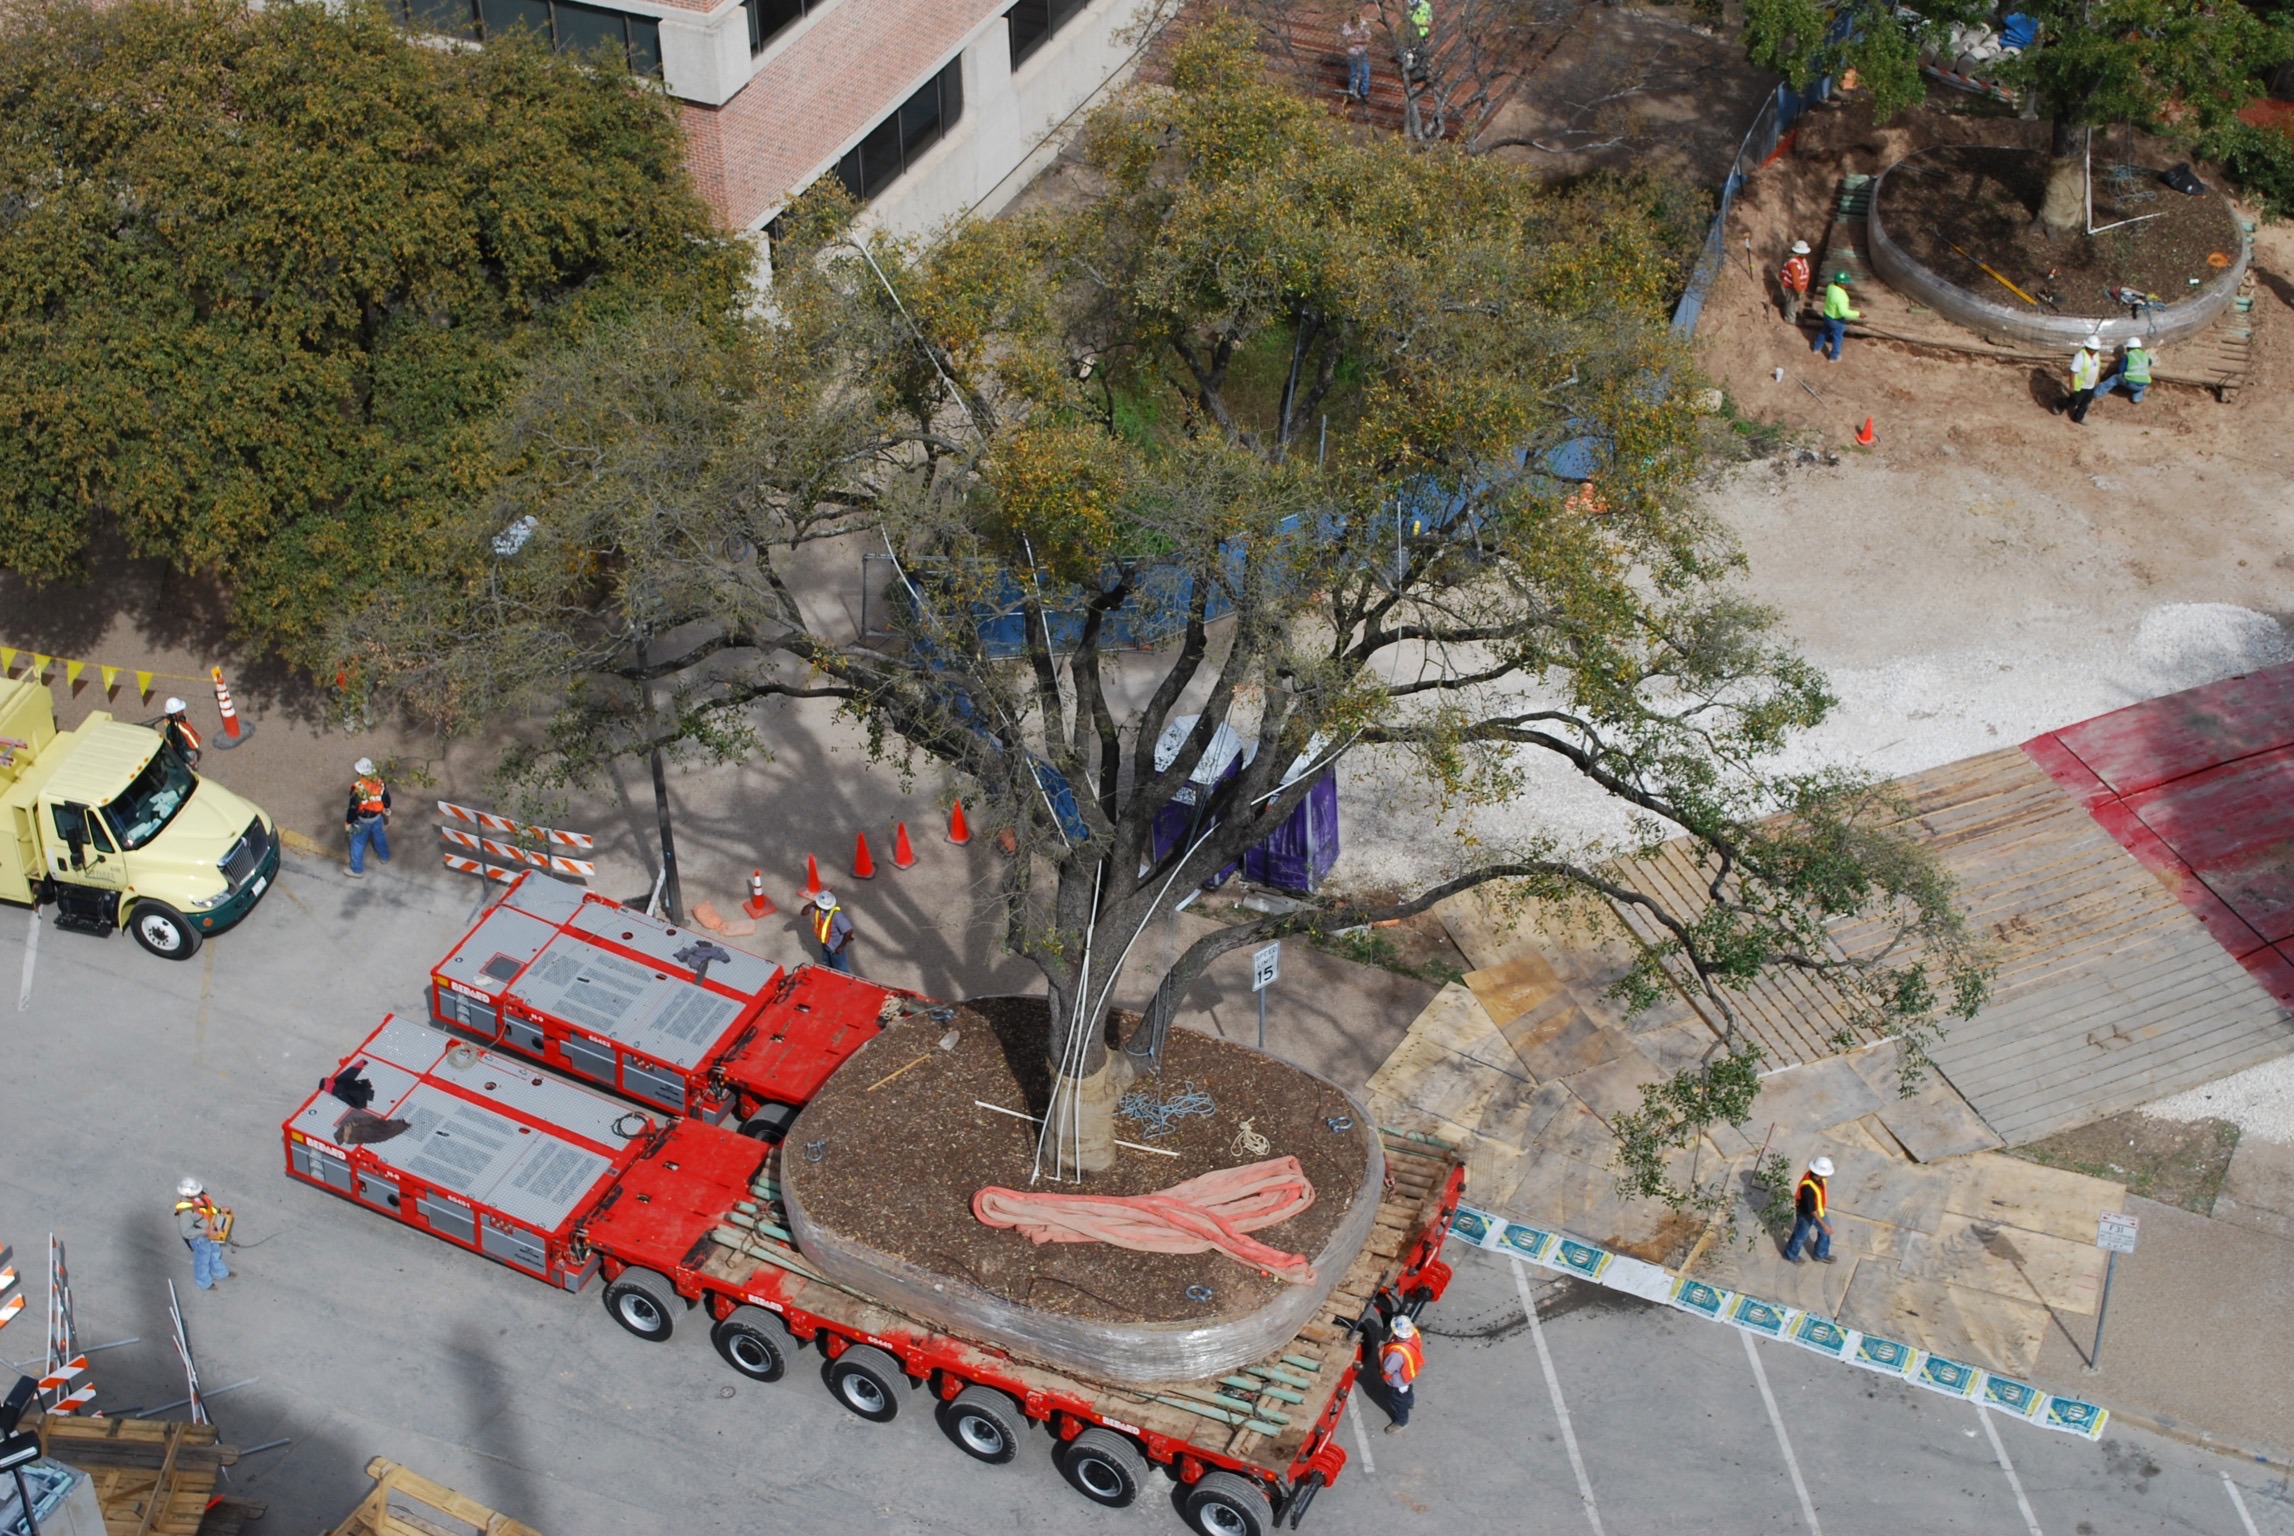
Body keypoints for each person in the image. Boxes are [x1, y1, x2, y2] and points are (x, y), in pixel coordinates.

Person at [174, 1178, 232, 1289]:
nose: (199, 1193)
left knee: (215, 1253)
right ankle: (204, 1283)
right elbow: (186, 1232)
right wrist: (205, 1231)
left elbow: (210, 1207)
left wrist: (220, 1210)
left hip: (211, 1230)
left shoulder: (202, 1196)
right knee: (202, 1261)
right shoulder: (185, 1211)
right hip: (200, 1238)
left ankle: (220, 1273)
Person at [344, 757, 391, 878]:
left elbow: (353, 808)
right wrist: (386, 808)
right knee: (379, 836)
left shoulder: (358, 787)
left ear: (360, 773)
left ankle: (356, 870)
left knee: (357, 843)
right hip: (377, 817)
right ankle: (384, 857)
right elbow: (386, 798)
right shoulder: (380, 782)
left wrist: (348, 822)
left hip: (362, 820)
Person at [1784, 1155, 1836, 1264]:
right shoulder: (1808, 1188)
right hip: (1806, 1214)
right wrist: (1824, 1225)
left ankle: (1821, 1254)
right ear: (1819, 1173)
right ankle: (1791, 1254)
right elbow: (1812, 1210)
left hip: (1819, 1210)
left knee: (1825, 1233)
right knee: (1800, 1235)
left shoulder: (1818, 1178)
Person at [1379, 1312, 1424, 1434]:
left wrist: (1380, 1355)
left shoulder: (1396, 1354)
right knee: (1407, 1391)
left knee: (1397, 1402)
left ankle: (1401, 1421)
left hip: (1397, 1383)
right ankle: (1410, 1402)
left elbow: (1387, 1372)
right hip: (1408, 1375)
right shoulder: (1414, 1334)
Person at [803, 889, 856, 974]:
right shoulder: (818, 909)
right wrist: (811, 904)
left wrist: (841, 946)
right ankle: (830, 975)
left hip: (836, 947)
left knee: (842, 970)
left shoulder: (837, 916)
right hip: (825, 943)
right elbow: (804, 913)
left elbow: (849, 931)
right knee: (827, 965)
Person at [2095, 334, 2154, 406]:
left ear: (2128, 348)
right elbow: (2150, 362)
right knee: (2140, 385)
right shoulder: (2145, 355)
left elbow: (2121, 370)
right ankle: (2136, 399)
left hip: (2131, 382)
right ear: (2139, 347)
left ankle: (2097, 393)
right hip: (2145, 384)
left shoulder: (2127, 356)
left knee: (2114, 378)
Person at [1814, 272, 1858, 362]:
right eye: (1844, 283)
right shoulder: (1842, 296)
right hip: (1836, 319)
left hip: (1827, 315)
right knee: (1837, 338)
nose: (1846, 285)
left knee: (1824, 331)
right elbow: (1843, 312)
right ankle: (1834, 357)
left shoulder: (1830, 286)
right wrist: (1857, 314)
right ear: (1839, 283)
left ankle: (1816, 348)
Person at [2064, 334, 2103, 424]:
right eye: (2092, 349)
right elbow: (2072, 371)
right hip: (2081, 386)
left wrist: (2097, 378)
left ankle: (2078, 418)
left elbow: (2097, 367)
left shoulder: (2096, 355)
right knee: (2073, 402)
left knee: (2085, 403)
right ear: (2087, 347)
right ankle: (2059, 403)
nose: (2094, 351)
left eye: (2096, 349)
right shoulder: (2080, 356)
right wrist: (2072, 386)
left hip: (2091, 385)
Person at [160, 697, 202, 768]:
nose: (183, 710)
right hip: (186, 754)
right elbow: (178, 747)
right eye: (180, 710)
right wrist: (189, 760)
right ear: (176, 712)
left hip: (189, 749)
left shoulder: (179, 719)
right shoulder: (172, 730)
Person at [1779, 240, 1812, 327]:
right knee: (1791, 303)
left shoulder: (1801, 260)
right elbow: (1795, 280)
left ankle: (1792, 314)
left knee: (1794, 302)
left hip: (1798, 287)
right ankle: (1790, 319)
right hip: (1792, 287)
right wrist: (1799, 290)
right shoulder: (1793, 264)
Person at [1340, 13, 1373, 99]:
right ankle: (1352, 90)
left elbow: (1368, 39)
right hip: (1352, 53)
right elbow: (1348, 41)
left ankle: (1364, 92)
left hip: (1362, 51)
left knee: (1365, 71)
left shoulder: (1364, 24)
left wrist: (1356, 41)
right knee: (1353, 72)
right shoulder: (1346, 26)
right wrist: (1362, 40)